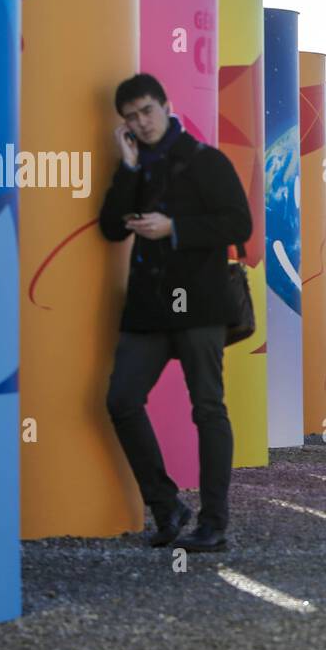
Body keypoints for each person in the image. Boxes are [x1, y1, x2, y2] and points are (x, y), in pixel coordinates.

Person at [99, 73, 251, 554]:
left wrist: (174, 228)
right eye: (130, 118)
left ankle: (215, 522)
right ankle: (166, 507)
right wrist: (126, 169)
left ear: (166, 106)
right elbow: (110, 230)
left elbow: (239, 223)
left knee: (208, 408)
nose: (140, 123)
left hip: (199, 303)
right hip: (148, 307)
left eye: (146, 111)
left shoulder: (205, 160)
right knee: (121, 399)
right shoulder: (136, 166)